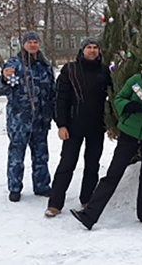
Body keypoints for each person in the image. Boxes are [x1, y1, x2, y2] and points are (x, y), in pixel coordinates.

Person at [70, 52, 142, 230]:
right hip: (129, 133)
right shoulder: (136, 80)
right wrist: (130, 106)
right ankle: (90, 215)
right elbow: (118, 99)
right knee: (113, 174)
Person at [45, 37, 112, 217]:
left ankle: (87, 199)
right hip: (73, 126)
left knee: (93, 164)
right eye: (89, 47)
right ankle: (55, 203)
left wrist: (111, 123)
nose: (92, 50)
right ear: (82, 50)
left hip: (97, 126)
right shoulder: (70, 69)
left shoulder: (105, 71)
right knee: (67, 164)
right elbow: (60, 98)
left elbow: (112, 99)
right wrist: (62, 124)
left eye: (95, 47)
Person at [0, 31, 56, 202]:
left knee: (41, 155)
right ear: (23, 44)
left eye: (35, 42)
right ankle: (14, 188)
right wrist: (4, 79)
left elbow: (52, 92)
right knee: (16, 156)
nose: (33, 45)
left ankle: (42, 186)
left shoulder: (45, 66)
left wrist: (56, 115)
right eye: (29, 42)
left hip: (41, 120)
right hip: (20, 120)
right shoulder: (15, 64)